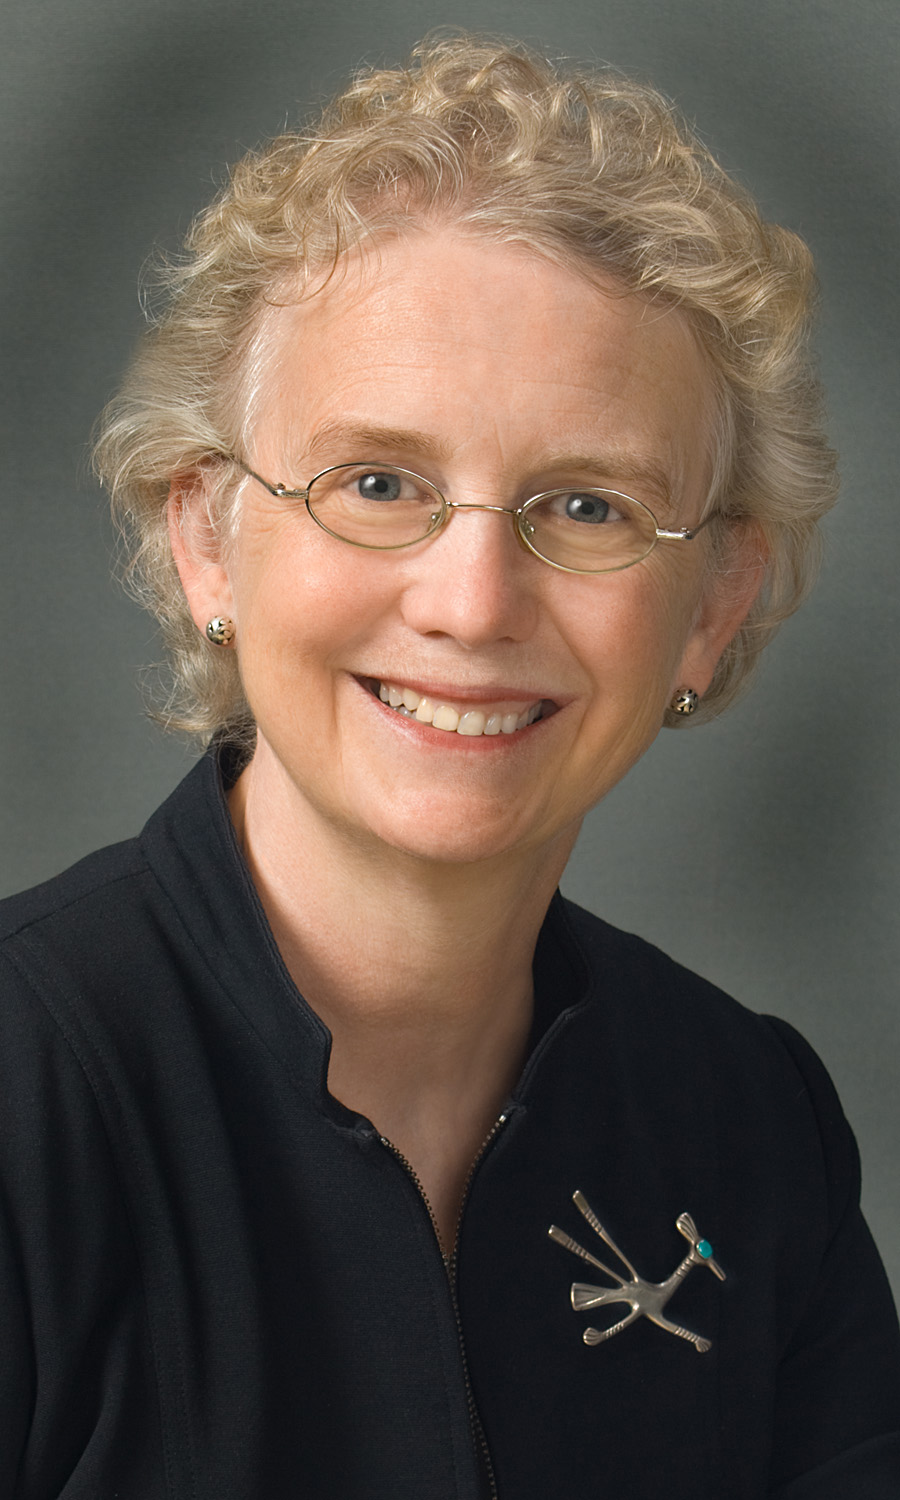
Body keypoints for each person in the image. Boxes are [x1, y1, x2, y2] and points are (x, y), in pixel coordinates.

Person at [1, 33, 898, 1500]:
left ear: (714, 603)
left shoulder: (750, 1126)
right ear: (209, 538)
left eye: (589, 506)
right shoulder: (22, 1090)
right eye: (377, 484)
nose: (474, 603)